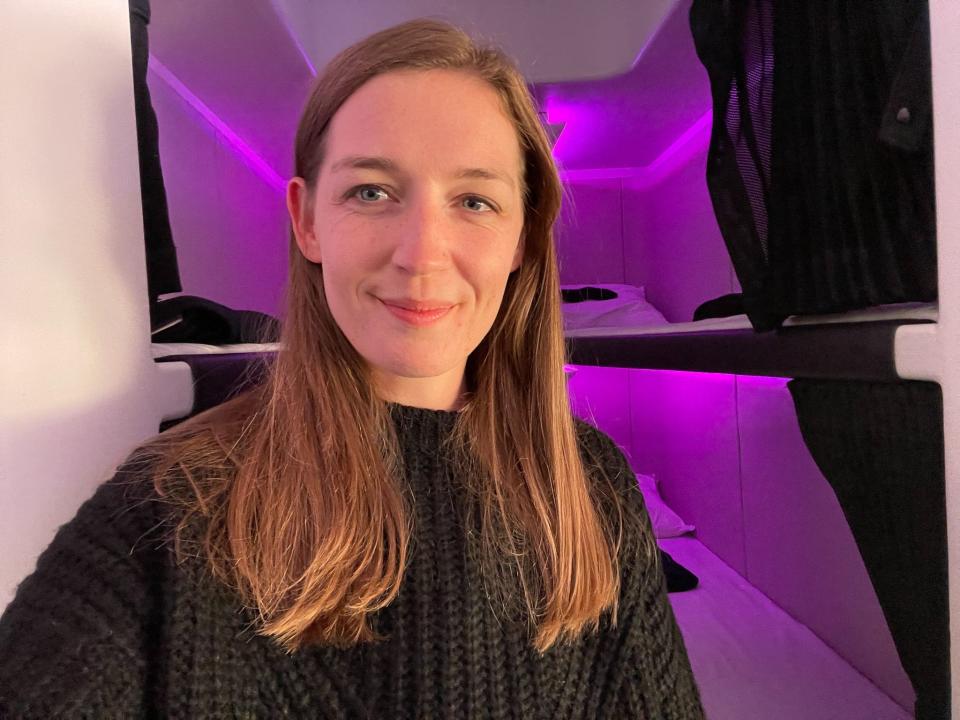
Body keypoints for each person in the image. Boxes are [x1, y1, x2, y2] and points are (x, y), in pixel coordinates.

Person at [0, 19, 703, 718]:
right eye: (371, 192)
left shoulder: (594, 485)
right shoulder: (171, 503)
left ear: (522, 236)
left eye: (474, 201)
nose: (421, 255)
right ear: (307, 221)